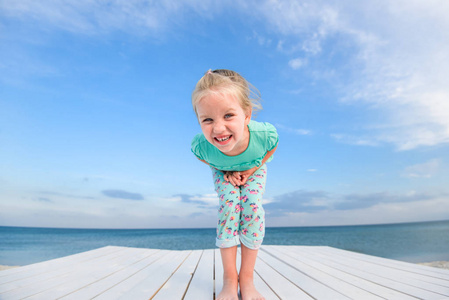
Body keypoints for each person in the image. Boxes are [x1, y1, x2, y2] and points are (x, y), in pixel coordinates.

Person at [191, 69, 278, 300]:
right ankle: (230, 280)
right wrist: (224, 169)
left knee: (251, 206)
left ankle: (246, 279)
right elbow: (201, 156)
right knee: (230, 207)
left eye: (228, 115)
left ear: (247, 115)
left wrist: (253, 167)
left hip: (254, 168)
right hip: (223, 171)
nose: (218, 129)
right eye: (207, 120)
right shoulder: (203, 146)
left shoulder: (261, 135)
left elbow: (273, 145)